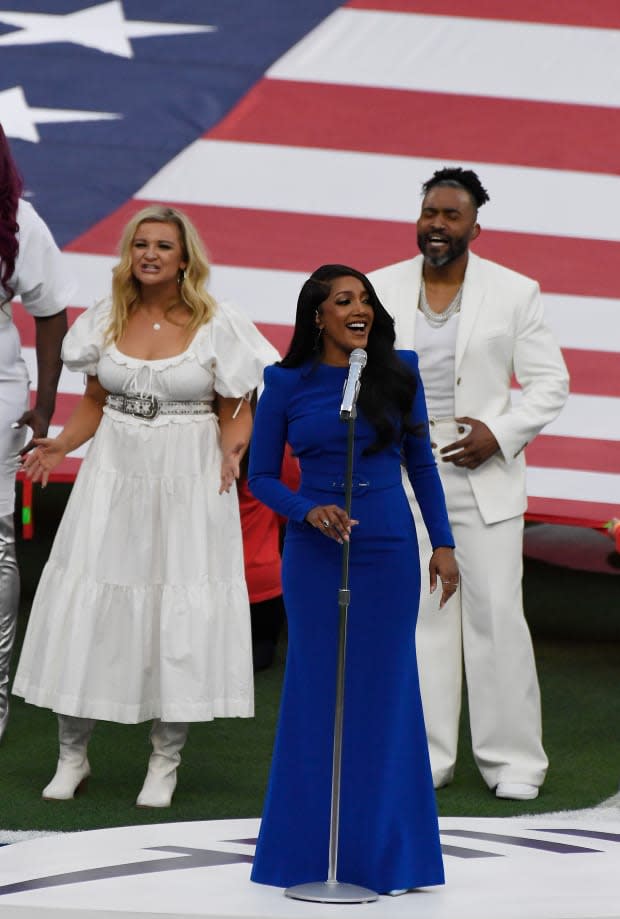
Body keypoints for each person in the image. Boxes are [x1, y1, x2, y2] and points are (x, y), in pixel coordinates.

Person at [13, 205, 278, 806]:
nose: (151, 254)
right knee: (92, 603)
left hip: (189, 478)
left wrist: (235, 453)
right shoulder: (106, 319)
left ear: (185, 258)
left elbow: (237, 405)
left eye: (163, 245)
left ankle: (164, 762)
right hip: (113, 476)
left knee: (174, 610)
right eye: (141, 245)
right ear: (129, 256)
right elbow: (95, 402)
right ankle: (72, 757)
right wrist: (60, 444)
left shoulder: (220, 322)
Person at [248, 264, 458, 895]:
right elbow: (260, 477)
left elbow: (420, 463)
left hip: (387, 545)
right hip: (315, 554)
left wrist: (443, 543)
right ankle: (300, 860)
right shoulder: (285, 383)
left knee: (387, 693)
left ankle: (388, 860)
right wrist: (304, 510)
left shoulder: (400, 373)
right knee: (313, 694)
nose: (358, 308)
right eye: (344, 300)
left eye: (364, 298)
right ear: (318, 316)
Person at [369, 167, 570, 801]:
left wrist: (501, 433)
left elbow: (550, 384)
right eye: (430, 212)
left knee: (497, 617)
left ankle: (513, 763)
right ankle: (427, 758)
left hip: (482, 477)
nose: (438, 224)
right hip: (403, 479)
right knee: (422, 618)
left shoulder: (515, 292)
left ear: (474, 228)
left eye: (452, 216)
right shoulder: (377, 288)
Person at [0, 123, 72, 744]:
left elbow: (50, 311)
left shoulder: (17, 222)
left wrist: (45, 407)